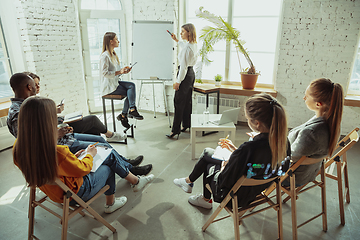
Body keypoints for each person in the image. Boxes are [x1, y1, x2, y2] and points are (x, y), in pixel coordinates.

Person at [13, 96, 155, 213]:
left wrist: (74, 157)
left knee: (104, 151)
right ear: (46, 123)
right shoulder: (57, 151)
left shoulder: (18, 148)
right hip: (74, 194)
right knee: (106, 156)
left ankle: (134, 179)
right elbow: (83, 169)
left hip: (54, 192)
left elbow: (58, 168)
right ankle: (117, 197)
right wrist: (89, 155)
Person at [7, 73, 151, 175]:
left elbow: (40, 129)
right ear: (28, 87)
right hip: (60, 147)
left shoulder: (28, 105)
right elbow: (31, 144)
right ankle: (129, 170)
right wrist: (56, 134)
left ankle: (126, 163)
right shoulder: (18, 114)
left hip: (64, 138)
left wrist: (58, 129)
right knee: (101, 145)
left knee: (100, 139)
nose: (36, 89)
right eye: (34, 86)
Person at [173, 93, 291, 209]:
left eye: (247, 118)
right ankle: (188, 182)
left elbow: (224, 181)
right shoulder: (284, 143)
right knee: (208, 152)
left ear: (257, 123)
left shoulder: (248, 148)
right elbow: (258, 164)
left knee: (209, 163)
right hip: (257, 189)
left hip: (234, 196)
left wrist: (225, 166)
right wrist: (236, 151)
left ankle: (204, 199)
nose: (247, 120)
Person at [24, 72, 126, 142]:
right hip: (60, 128)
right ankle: (110, 135)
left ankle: (106, 153)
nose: (38, 87)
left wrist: (56, 111)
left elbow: (43, 116)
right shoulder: (27, 106)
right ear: (28, 86)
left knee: (94, 129)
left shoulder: (34, 100)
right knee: (93, 120)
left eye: (38, 84)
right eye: (35, 85)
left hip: (61, 123)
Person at [283, 78, 344, 186]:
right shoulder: (332, 123)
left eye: (306, 96)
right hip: (310, 173)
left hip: (291, 177)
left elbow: (289, 159)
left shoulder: (312, 133)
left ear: (318, 104)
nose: (304, 98)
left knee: (251, 164)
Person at [100, 32, 143, 130]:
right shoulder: (105, 56)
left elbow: (116, 72)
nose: (118, 41)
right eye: (116, 39)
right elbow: (105, 73)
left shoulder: (113, 55)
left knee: (131, 86)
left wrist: (123, 71)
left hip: (115, 83)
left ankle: (126, 113)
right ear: (111, 42)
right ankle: (128, 112)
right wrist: (119, 71)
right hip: (109, 87)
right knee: (130, 91)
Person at [166, 23, 198, 139]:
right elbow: (184, 46)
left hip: (184, 75)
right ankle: (186, 124)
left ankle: (175, 130)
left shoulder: (187, 49)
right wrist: (177, 40)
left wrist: (178, 82)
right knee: (187, 101)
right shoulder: (193, 45)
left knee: (178, 101)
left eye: (183, 31)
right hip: (191, 74)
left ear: (189, 32)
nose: (181, 33)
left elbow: (183, 68)